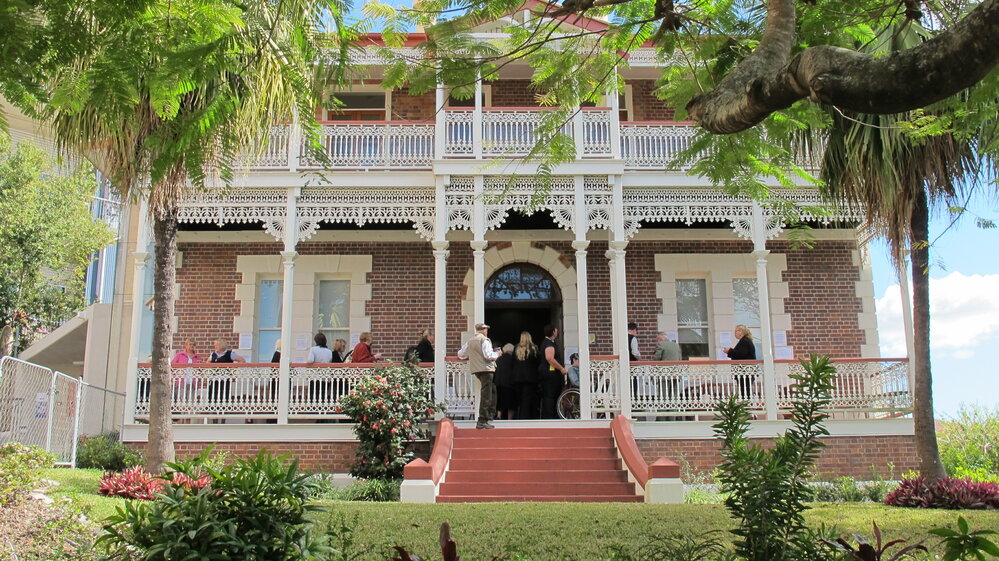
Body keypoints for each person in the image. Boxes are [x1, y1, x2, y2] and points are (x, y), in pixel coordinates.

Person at [457, 323, 501, 429]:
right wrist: (497, 354)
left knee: (492, 391)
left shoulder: (470, 341)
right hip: (486, 369)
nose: (486, 331)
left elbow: (461, 354)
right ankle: (483, 420)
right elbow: (488, 355)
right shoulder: (485, 340)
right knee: (487, 394)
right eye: (486, 329)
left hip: (476, 370)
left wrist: (473, 356)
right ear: (483, 330)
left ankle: (489, 414)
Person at [539, 324, 568, 419]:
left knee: (553, 394)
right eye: (556, 330)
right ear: (553, 332)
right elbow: (550, 358)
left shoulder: (551, 342)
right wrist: (561, 368)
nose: (557, 332)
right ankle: (550, 416)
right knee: (550, 395)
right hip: (550, 374)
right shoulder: (548, 344)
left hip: (550, 374)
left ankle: (553, 415)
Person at [724, 324, 757, 399]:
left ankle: (747, 404)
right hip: (744, 370)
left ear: (741, 332)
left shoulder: (744, 341)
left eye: (736, 331)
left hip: (745, 370)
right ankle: (746, 402)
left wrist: (729, 351)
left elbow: (741, 354)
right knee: (744, 388)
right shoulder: (745, 341)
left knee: (745, 389)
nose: (734, 333)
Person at [513, 331, 539, 419]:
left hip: (517, 378)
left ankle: (520, 417)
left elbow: (513, 363)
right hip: (530, 378)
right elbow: (537, 362)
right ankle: (525, 417)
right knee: (527, 400)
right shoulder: (534, 349)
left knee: (519, 399)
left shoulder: (516, 348)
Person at [208, 339, 243, 406]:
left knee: (223, 394)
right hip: (214, 378)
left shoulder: (229, 354)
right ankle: (212, 410)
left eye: (217, 345)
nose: (215, 346)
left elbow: (241, 360)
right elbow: (208, 362)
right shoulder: (213, 354)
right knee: (212, 394)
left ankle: (222, 411)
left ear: (222, 345)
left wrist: (233, 369)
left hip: (224, 378)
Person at [494, 344, 516, 420]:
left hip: (499, 383)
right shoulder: (513, 359)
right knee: (511, 403)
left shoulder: (498, 359)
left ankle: (499, 415)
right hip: (510, 384)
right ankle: (510, 419)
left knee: (500, 401)